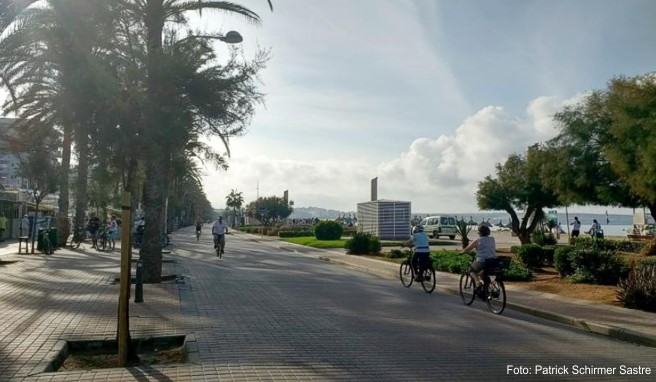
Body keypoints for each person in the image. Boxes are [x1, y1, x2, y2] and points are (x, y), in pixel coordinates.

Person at [461, 225, 496, 289]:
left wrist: (462, 252)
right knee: (485, 274)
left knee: (471, 270)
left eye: (479, 232)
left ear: (480, 233)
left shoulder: (478, 240)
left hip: (481, 261)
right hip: (492, 261)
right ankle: (494, 287)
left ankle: (478, 282)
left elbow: (468, 248)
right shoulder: (492, 239)